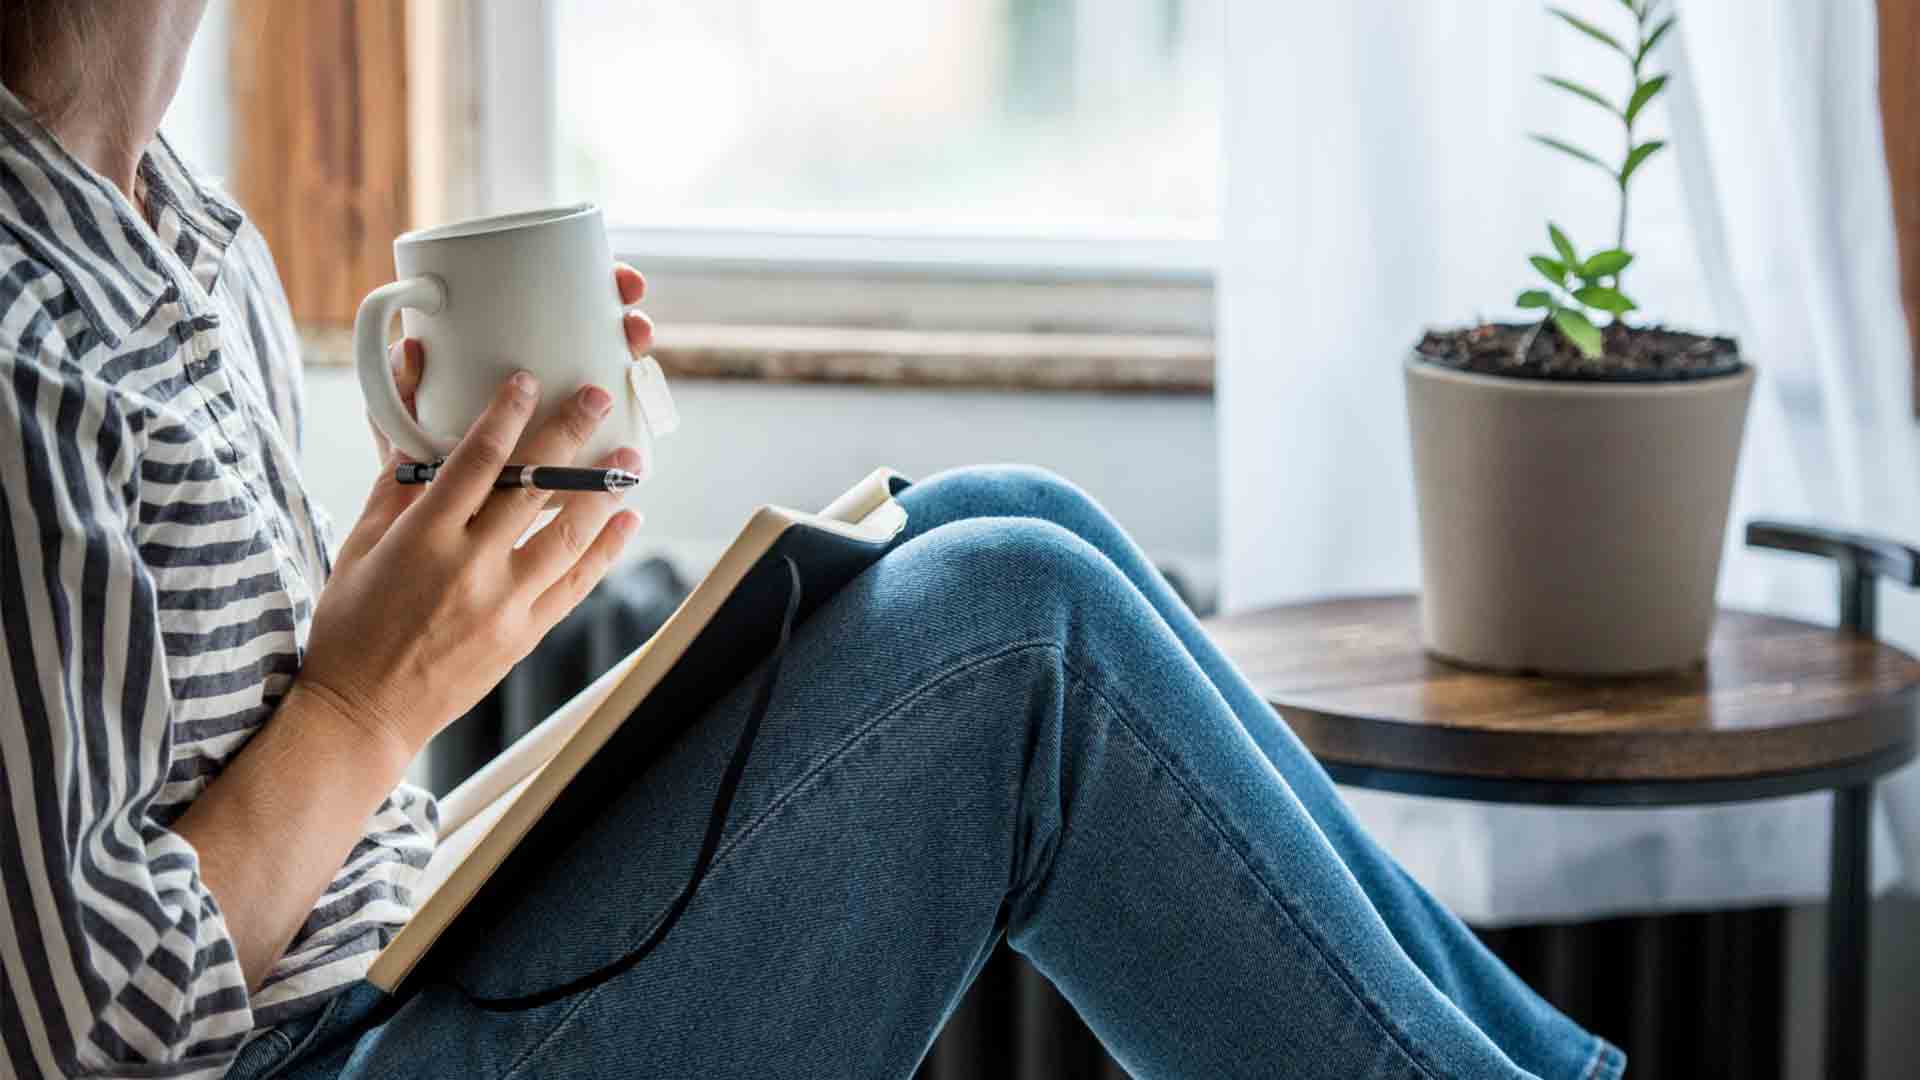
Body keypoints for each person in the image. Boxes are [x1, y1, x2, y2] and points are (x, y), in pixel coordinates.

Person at [0, 4, 1623, 1078]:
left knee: (992, 519)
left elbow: (240, 778)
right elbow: (81, 1024)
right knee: (1013, 627)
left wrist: (419, 582)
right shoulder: (22, 351)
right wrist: (366, 706)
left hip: (381, 965)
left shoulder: (170, 229)